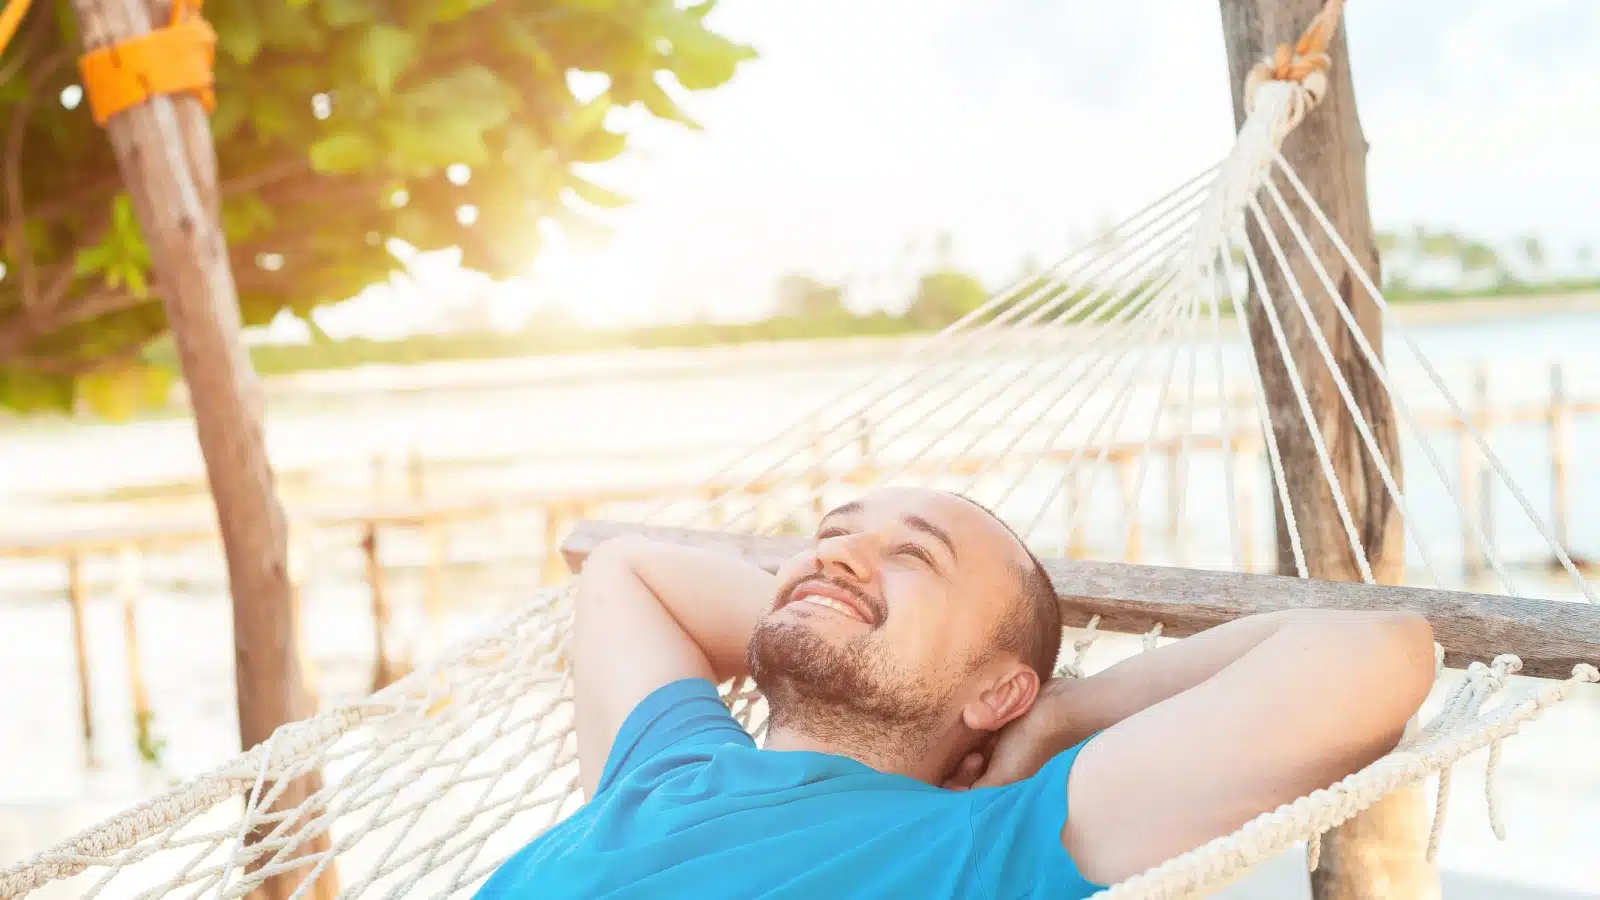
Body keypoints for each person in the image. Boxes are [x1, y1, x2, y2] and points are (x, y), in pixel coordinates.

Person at [477, 486, 1435, 898]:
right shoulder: (664, 760)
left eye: (914, 557)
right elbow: (629, 570)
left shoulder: (994, 849)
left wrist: (1064, 710)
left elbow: (1381, 654)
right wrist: (820, 609)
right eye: (833, 534)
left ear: (997, 693)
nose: (838, 551)